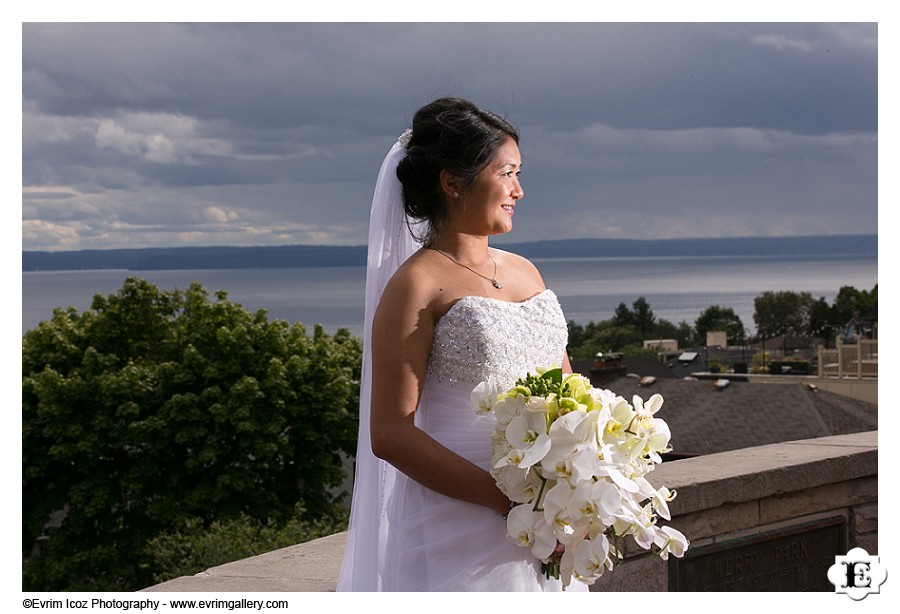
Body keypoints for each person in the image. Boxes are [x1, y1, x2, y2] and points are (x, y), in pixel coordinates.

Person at [337, 97, 584, 591]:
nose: (519, 189)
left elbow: (571, 391)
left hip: (548, 511)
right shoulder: (417, 284)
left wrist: (582, 475)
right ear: (452, 182)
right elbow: (390, 433)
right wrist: (509, 501)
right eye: (507, 173)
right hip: (462, 518)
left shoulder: (526, 271)